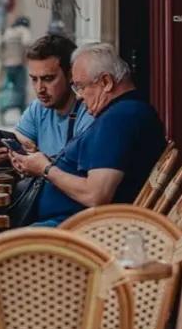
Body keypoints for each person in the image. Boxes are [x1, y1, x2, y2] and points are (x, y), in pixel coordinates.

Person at [10, 42, 166, 226]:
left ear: (106, 82)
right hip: (70, 223)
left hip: (76, 229)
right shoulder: (124, 112)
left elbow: (96, 195)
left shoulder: (119, 118)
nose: (78, 96)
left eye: (80, 87)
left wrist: (45, 169)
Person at [0, 33, 94, 167]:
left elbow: (84, 173)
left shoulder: (89, 113)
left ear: (71, 75)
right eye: (34, 79)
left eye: (48, 79)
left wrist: (42, 167)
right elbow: (21, 144)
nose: (40, 89)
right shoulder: (38, 108)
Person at [0, 15, 32, 122]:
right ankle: (23, 114)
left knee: (5, 88)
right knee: (21, 89)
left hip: (7, 65)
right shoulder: (23, 31)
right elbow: (27, 44)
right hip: (19, 65)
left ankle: (2, 109)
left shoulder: (8, 32)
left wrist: (4, 58)